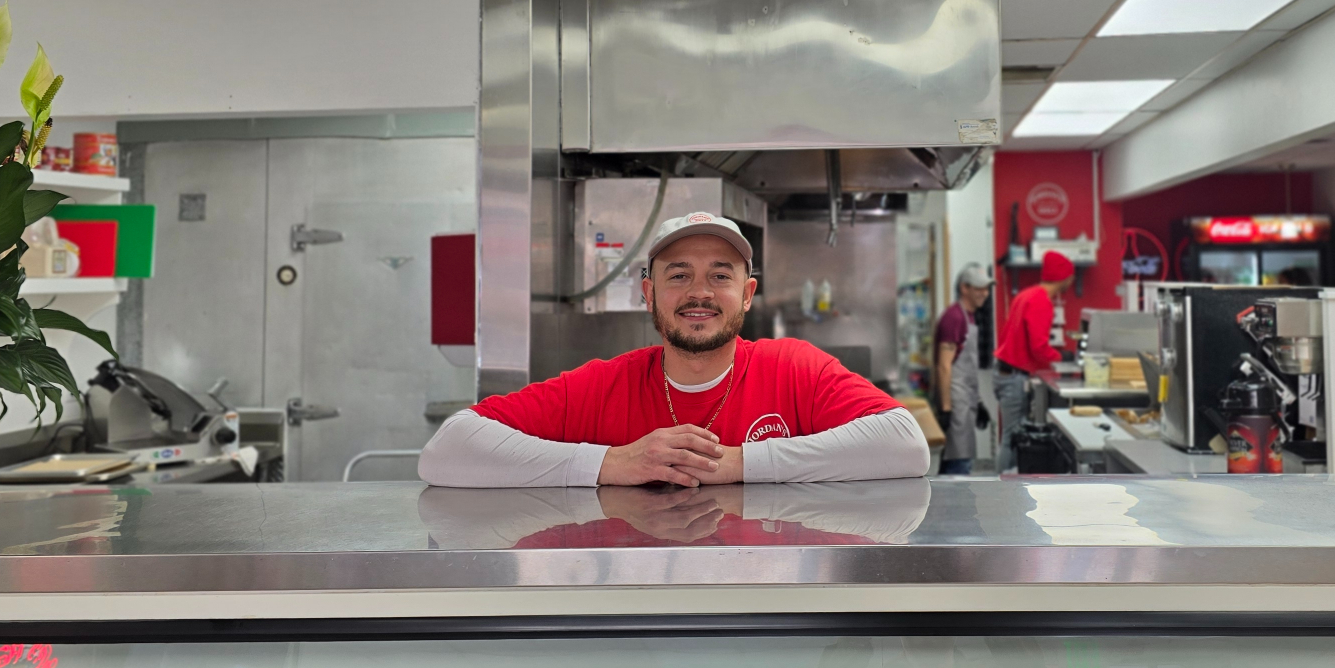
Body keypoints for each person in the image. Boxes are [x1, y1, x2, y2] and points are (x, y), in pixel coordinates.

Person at [419, 211, 930, 487]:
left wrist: (740, 463)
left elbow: (905, 443)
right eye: (679, 275)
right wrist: (611, 464)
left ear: (747, 294)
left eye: (720, 276)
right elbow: (448, 450)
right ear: (649, 293)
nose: (699, 293)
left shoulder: (794, 368)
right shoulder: (602, 384)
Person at [992, 248, 1075, 468]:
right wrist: (1064, 360)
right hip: (1013, 377)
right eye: (1071, 275)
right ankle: (1003, 484)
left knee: (1010, 437)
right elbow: (1038, 347)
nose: (1072, 280)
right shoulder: (1041, 301)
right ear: (1064, 277)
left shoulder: (1026, 295)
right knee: (1012, 438)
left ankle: (1006, 481)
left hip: (1004, 372)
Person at [931, 263, 993, 476]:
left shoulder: (970, 316)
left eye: (986, 288)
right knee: (958, 467)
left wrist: (979, 402)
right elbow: (943, 366)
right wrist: (946, 409)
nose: (984, 293)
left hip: (965, 401)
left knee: (958, 462)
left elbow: (967, 369)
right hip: (955, 403)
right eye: (978, 288)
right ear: (964, 288)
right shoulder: (954, 318)